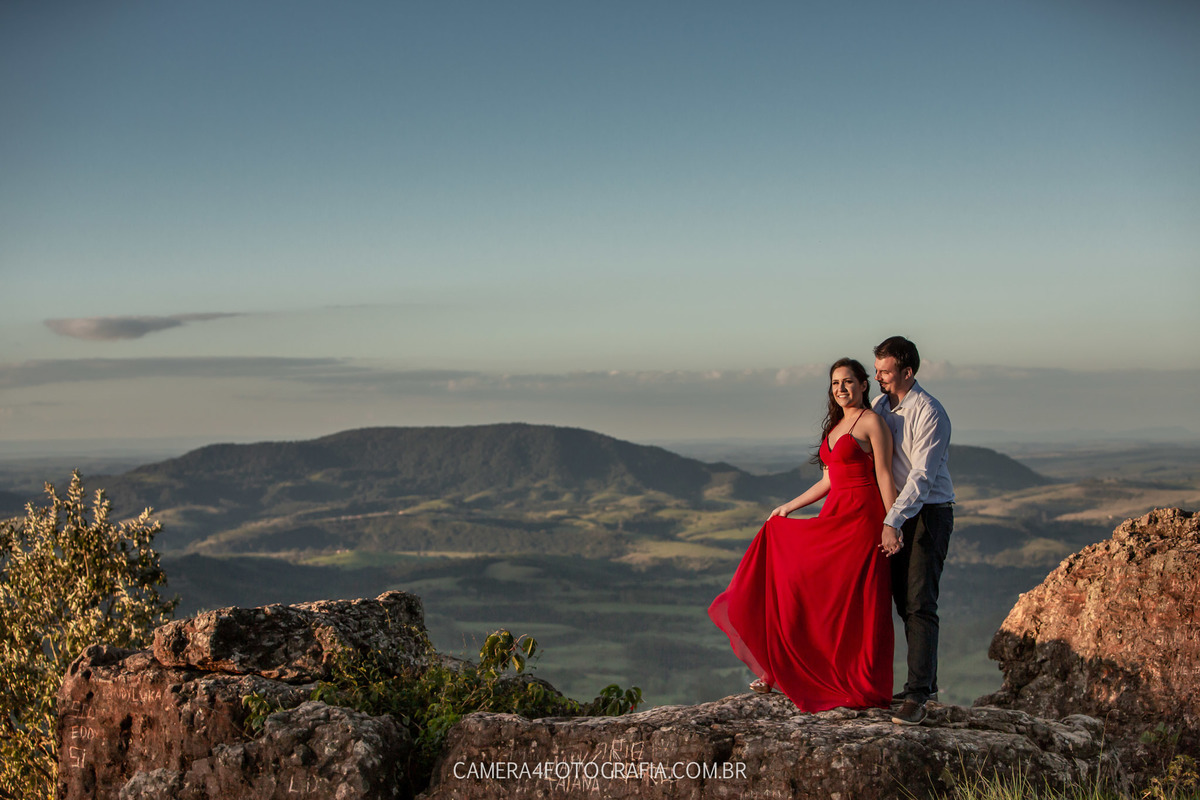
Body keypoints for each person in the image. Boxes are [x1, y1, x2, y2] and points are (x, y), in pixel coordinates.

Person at [708, 358, 901, 712]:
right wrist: (788, 507)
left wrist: (893, 524)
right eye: (835, 384)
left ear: (863, 384)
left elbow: (885, 475)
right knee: (803, 588)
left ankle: (855, 679)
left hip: (862, 520)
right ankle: (780, 669)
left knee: (848, 603)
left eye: (847, 382)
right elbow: (829, 481)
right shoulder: (836, 426)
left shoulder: (872, 422)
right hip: (835, 515)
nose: (841, 389)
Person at [872, 336, 955, 726]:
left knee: (921, 601)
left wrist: (893, 520)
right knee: (903, 602)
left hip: (929, 513)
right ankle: (925, 683)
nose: (878, 378)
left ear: (907, 372)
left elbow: (922, 477)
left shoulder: (930, 412)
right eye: (876, 370)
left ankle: (918, 695)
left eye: (885, 372)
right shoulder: (879, 407)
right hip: (896, 513)